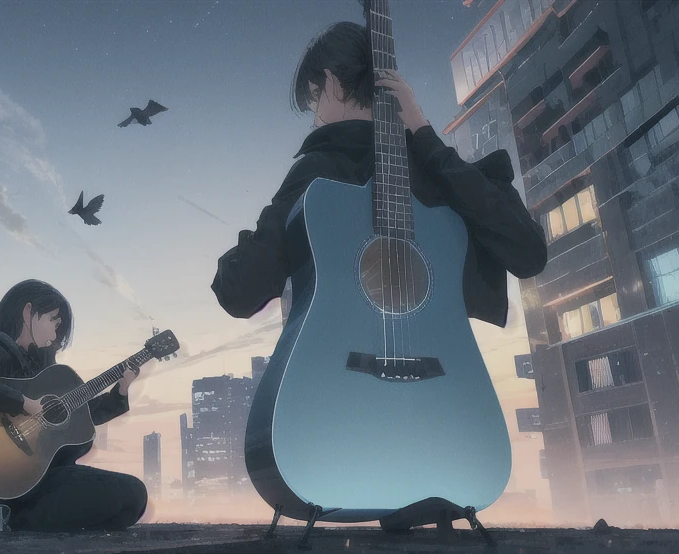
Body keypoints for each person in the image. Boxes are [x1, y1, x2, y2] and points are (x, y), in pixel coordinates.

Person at [211, 21, 547, 326]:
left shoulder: (316, 173)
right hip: (443, 378)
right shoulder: (441, 175)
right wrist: (423, 133)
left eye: (315, 98)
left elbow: (240, 292)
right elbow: (530, 255)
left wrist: (251, 240)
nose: (315, 118)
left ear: (331, 83)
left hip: (342, 380)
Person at [0, 279, 147, 532]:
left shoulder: (44, 372)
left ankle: (5, 522)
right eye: (53, 321)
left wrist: (119, 392)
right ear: (28, 312)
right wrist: (25, 404)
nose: (56, 335)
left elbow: (79, 416)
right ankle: (11, 523)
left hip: (39, 476)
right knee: (112, 496)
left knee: (133, 496)